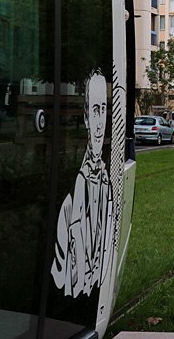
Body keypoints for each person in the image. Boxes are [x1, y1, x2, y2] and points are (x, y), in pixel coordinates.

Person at [51, 69, 114, 298]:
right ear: (86, 117)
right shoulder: (70, 199)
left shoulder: (108, 186)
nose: (99, 124)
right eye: (95, 111)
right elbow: (60, 276)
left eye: (104, 110)